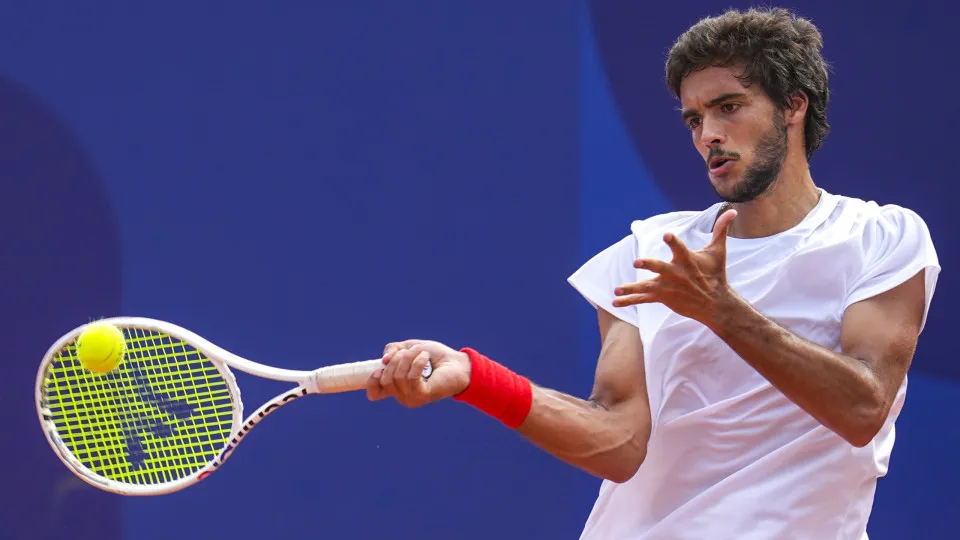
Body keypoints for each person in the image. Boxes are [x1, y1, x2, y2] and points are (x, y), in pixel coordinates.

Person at [365, 7, 940, 539]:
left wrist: (722, 311)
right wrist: (474, 376)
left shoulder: (882, 238)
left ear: (793, 105)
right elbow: (618, 443)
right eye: (694, 118)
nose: (706, 134)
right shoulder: (649, 250)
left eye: (729, 107)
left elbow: (863, 409)